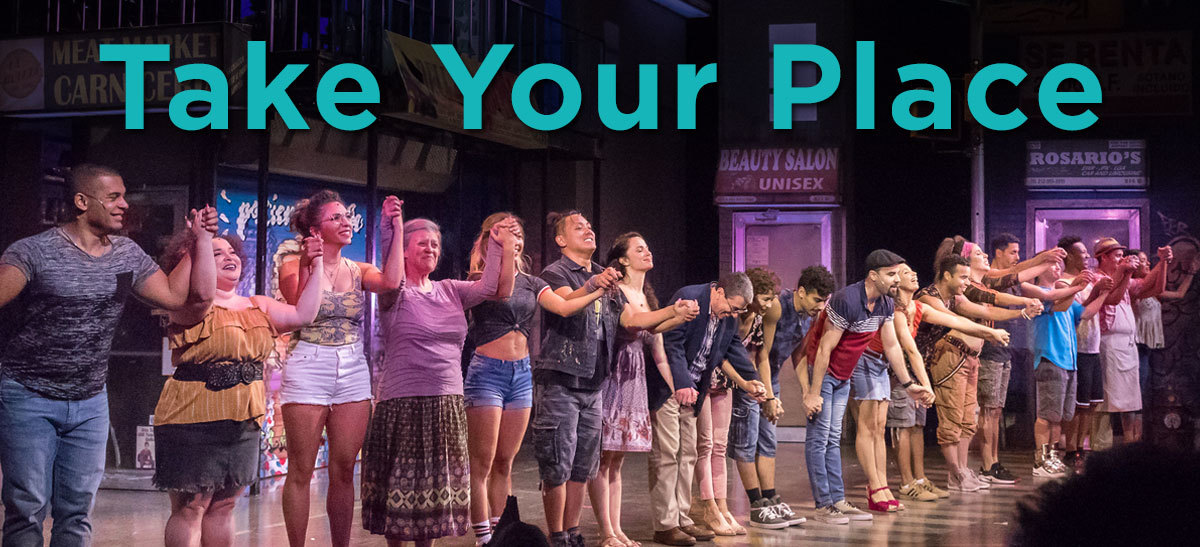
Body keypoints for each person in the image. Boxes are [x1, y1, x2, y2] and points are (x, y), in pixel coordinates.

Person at [0, 165, 217, 546]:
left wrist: (198, 240)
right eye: (113, 197)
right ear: (82, 202)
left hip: (89, 402)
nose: (124, 204)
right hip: (28, 396)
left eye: (124, 195)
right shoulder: (34, 252)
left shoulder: (126, 254)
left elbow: (174, 296)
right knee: (27, 507)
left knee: (77, 509)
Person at [153, 231, 325, 546]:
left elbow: (304, 314)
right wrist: (201, 240)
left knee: (224, 504)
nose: (230, 256)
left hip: (243, 416)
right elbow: (201, 295)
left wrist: (316, 266)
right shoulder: (187, 303)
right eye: (217, 253)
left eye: (232, 252)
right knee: (192, 506)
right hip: (193, 414)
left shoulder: (256, 305)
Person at [531, 211, 692, 547]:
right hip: (561, 379)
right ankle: (557, 534)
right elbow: (563, 304)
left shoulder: (607, 278)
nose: (588, 230)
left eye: (590, 226)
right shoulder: (556, 272)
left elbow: (633, 319)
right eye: (578, 228)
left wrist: (673, 313)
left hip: (594, 383)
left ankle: (573, 533)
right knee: (558, 464)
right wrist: (592, 285)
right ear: (560, 240)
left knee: (583, 468)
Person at [360, 215, 517, 546]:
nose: (430, 248)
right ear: (403, 251)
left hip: (445, 403)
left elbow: (491, 288)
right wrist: (394, 227)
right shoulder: (394, 291)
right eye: (422, 243)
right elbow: (391, 273)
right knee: (400, 492)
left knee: (431, 496)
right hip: (402, 403)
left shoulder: (450, 289)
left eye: (435, 244)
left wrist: (498, 243)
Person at [464, 213, 615, 546]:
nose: (513, 238)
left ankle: (502, 534)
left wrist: (593, 287)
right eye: (505, 233)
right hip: (487, 372)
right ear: (491, 239)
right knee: (483, 463)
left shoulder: (532, 282)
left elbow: (562, 306)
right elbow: (501, 290)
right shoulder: (479, 279)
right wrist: (501, 250)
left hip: (519, 374)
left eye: (517, 233)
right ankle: (483, 537)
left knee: (505, 461)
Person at [277, 191, 405, 547]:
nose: (346, 222)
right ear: (315, 230)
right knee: (301, 470)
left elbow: (393, 281)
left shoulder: (358, 268)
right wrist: (309, 262)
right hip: (309, 363)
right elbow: (301, 305)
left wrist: (395, 226)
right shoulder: (292, 263)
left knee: (345, 468)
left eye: (347, 216)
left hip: (351, 366)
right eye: (336, 218)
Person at [798, 250, 934, 524]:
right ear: (874, 276)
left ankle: (837, 499)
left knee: (833, 438)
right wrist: (812, 391)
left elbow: (893, 345)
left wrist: (908, 384)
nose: (896, 279)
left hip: (843, 376)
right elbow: (824, 348)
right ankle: (823, 504)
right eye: (891, 274)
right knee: (820, 438)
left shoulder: (884, 303)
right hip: (824, 374)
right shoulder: (847, 299)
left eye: (898, 273)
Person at [590, 232, 698, 547]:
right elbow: (634, 321)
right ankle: (606, 531)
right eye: (639, 249)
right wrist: (673, 312)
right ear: (622, 259)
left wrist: (676, 387)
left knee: (618, 461)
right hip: (614, 379)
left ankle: (617, 530)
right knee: (604, 457)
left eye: (648, 247)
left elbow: (657, 342)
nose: (647, 252)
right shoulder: (617, 293)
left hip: (635, 383)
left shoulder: (645, 295)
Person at [647, 272, 760, 546]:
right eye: (734, 307)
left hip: (694, 391)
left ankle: (683, 519)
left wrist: (752, 380)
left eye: (740, 310)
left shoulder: (725, 317)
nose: (735, 314)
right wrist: (682, 382)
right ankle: (665, 524)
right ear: (719, 291)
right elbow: (671, 344)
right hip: (671, 388)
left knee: (688, 455)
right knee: (667, 455)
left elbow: (732, 349)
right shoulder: (691, 298)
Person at [915, 249, 1042, 493]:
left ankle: (961, 470)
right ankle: (955, 473)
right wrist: (990, 333)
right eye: (962, 278)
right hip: (933, 361)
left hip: (965, 358)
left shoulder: (955, 296)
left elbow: (985, 310)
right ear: (945, 276)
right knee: (950, 421)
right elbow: (958, 321)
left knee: (966, 420)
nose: (966, 282)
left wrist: (1021, 311)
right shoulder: (929, 298)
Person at [884, 264, 1007, 503]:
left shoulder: (918, 307)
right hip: (898, 374)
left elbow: (958, 322)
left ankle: (920, 479)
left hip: (917, 375)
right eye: (907, 272)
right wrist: (923, 384)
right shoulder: (896, 311)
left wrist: (989, 333)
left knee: (917, 427)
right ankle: (907, 482)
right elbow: (910, 350)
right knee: (903, 426)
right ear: (895, 282)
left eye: (913, 270)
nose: (914, 273)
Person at [732, 265, 832, 528]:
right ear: (801, 292)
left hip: (770, 379)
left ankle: (770, 498)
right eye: (817, 300)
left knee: (768, 441)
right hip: (752, 375)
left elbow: (798, 355)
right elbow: (760, 353)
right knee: (749, 439)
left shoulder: (808, 317)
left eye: (824, 301)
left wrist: (807, 391)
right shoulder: (777, 307)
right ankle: (756, 504)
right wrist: (766, 395)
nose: (820, 307)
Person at [976, 234, 1065, 484]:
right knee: (989, 411)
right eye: (1013, 252)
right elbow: (1015, 274)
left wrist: (1046, 263)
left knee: (996, 411)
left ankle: (993, 462)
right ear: (998, 252)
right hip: (989, 349)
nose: (1017, 257)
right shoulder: (989, 276)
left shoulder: (1006, 277)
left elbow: (1018, 275)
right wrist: (1042, 260)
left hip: (1004, 348)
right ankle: (987, 464)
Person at [705, 268, 777, 531]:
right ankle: (712, 506)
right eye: (765, 298)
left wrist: (761, 389)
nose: (769, 305)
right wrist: (747, 383)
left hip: (732, 383)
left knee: (723, 447)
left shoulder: (751, 320)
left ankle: (727, 507)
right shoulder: (724, 314)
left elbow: (754, 355)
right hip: (711, 380)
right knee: (707, 446)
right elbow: (718, 353)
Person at [1028, 260, 1110, 477]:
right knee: (1046, 414)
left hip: (1068, 362)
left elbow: (1084, 313)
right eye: (1053, 265)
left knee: (1059, 416)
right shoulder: (1041, 294)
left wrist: (1103, 294)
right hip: (1050, 358)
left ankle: (1052, 457)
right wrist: (1078, 287)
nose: (1058, 268)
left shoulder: (1063, 294)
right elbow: (1060, 304)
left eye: (1060, 265)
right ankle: (1040, 460)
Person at [1092, 238, 1172, 444]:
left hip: (1127, 345)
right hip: (1107, 344)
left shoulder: (1124, 280)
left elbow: (1153, 286)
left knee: (1130, 401)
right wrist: (1125, 271)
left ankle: (1130, 446)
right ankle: (1101, 447)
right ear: (1103, 257)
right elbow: (1111, 297)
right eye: (1117, 256)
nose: (1121, 260)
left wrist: (1163, 261)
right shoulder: (1096, 278)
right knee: (1105, 401)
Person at [1130, 249, 1198, 421]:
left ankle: (1141, 429)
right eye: (1143, 261)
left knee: (1145, 385)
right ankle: (1131, 431)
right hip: (1136, 343)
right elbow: (1144, 288)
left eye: (1147, 260)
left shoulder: (1154, 290)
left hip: (1148, 345)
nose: (1147, 264)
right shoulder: (1132, 286)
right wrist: (1163, 263)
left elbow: (1179, 294)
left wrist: (1191, 273)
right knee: (1137, 386)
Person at [1056, 236, 1103, 466]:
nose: (1087, 256)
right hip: (1078, 348)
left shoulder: (1089, 280)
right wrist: (1098, 291)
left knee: (1092, 403)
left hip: (1094, 347)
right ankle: (1070, 448)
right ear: (1070, 256)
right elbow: (1082, 313)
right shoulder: (1064, 283)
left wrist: (1103, 287)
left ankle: (1081, 446)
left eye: (1087, 252)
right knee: (1078, 404)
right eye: (1082, 252)